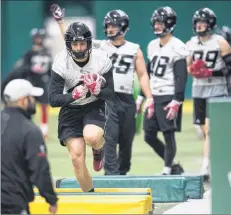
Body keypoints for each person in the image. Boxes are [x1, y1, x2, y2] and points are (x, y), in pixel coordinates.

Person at [50, 5, 154, 175]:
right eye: (108, 25)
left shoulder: (134, 49)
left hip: (127, 97)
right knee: (110, 135)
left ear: (124, 27)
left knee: (127, 138)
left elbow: (142, 75)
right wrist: (61, 21)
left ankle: (123, 171)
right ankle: (111, 173)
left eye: (114, 25)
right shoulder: (99, 46)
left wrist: (148, 96)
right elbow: (71, 40)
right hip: (106, 96)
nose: (110, 28)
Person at [48, 21, 114, 192]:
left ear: (89, 43)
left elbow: (111, 94)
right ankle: (90, 196)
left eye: (82, 43)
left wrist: (98, 90)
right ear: (69, 45)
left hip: (93, 105)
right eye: (75, 44)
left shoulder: (100, 58)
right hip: (70, 109)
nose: (78, 48)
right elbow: (53, 99)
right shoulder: (62, 61)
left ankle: (98, 149)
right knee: (77, 158)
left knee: (92, 137)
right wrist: (73, 95)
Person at [136, 6, 188, 175]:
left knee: (168, 133)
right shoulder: (152, 45)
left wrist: (177, 99)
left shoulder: (178, 46)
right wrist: (142, 95)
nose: (157, 26)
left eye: (160, 23)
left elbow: (181, 76)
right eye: (155, 23)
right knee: (148, 135)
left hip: (168, 95)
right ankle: (172, 165)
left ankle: (167, 169)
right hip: (154, 96)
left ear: (170, 24)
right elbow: (149, 71)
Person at [186, 8, 231, 180]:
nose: (199, 26)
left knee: (211, 130)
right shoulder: (190, 44)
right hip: (199, 90)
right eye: (197, 23)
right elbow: (188, 67)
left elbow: (229, 69)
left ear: (210, 24)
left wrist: (210, 73)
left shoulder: (220, 43)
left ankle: (206, 166)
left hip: (218, 89)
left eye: (203, 23)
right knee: (205, 131)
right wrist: (194, 71)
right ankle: (216, 159)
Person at [1, 79, 58, 214]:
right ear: (23, 101)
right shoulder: (29, 130)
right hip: (12, 202)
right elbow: (39, 169)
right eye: (32, 97)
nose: (34, 101)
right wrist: (51, 199)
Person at [1, 28, 52, 138]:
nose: (39, 40)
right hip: (31, 82)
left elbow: (50, 69)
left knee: (44, 105)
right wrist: (31, 69)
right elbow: (22, 68)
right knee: (28, 104)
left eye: (40, 37)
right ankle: (27, 125)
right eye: (37, 37)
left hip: (43, 82)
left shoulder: (47, 53)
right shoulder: (29, 53)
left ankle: (44, 129)